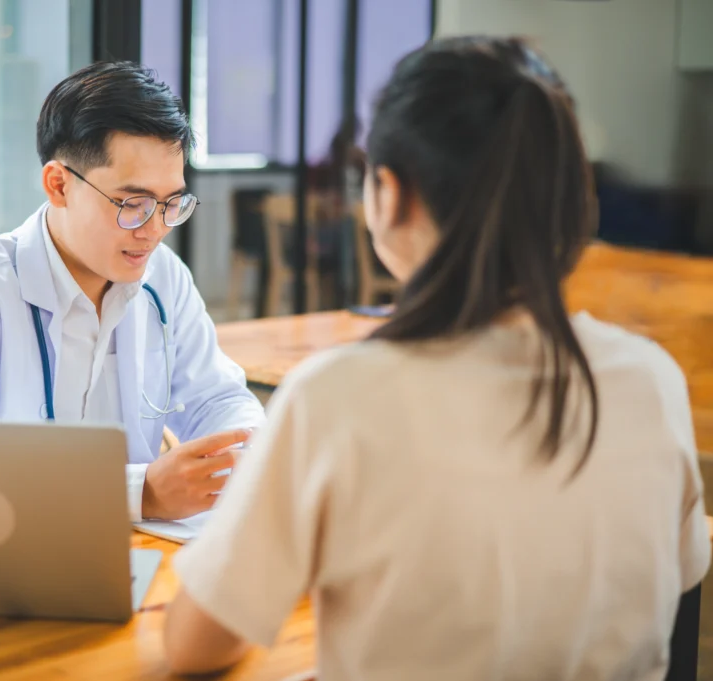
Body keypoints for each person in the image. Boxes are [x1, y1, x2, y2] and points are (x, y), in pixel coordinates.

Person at [164, 37, 711, 679]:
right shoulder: (650, 381)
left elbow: (195, 645)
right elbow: (681, 574)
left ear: (389, 194)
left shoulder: (339, 398)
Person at [0, 62, 265, 522]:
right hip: (15, 555)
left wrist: (242, 453)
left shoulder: (163, 277)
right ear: (59, 185)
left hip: (145, 545)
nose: (154, 230)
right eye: (132, 204)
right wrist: (141, 493)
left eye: (170, 203)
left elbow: (217, 398)